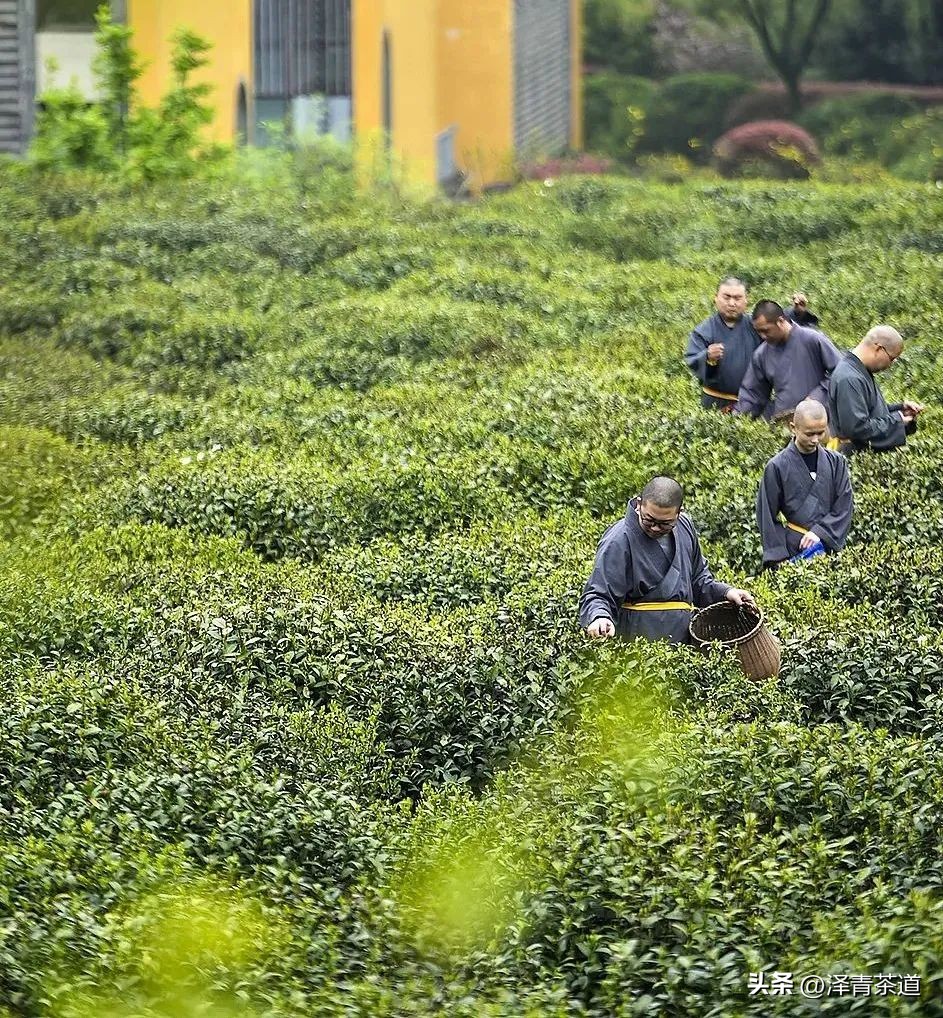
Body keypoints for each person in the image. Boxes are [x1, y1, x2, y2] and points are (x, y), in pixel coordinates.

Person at [579, 476, 755, 644]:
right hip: (635, 645)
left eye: (664, 523)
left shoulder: (685, 527)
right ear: (639, 505)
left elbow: (699, 580)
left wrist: (726, 592)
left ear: (679, 513)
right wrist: (599, 617)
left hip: (683, 642)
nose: (655, 528)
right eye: (649, 520)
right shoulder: (618, 539)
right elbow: (598, 593)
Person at [685, 279, 819, 411]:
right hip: (715, 404)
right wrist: (708, 357)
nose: (732, 303)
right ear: (716, 298)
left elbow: (779, 324)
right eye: (727, 297)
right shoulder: (703, 331)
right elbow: (692, 359)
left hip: (754, 403)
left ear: (746, 300)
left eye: (737, 298)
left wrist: (797, 313)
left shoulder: (756, 326)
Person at [756, 400, 853, 569]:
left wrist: (820, 532)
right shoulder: (777, 466)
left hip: (829, 547)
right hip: (794, 548)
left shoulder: (837, 462)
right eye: (809, 434)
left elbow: (844, 505)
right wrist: (780, 558)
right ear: (793, 428)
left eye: (820, 433)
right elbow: (767, 515)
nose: (815, 440)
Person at [736, 300, 841, 421]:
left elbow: (840, 373)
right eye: (758, 332)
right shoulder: (761, 354)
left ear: (781, 321)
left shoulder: (813, 339)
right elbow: (753, 395)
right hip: (785, 425)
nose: (762, 336)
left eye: (766, 330)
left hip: (821, 422)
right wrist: (738, 419)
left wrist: (818, 396)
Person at [827, 325, 925, 453]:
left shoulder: (859, 371)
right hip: (855, 458)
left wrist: (900, 409)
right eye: (892, 358)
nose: (890, 365)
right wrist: (897, 420)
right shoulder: (849, 378)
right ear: (878, 349)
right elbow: (857, 428)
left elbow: (869, 412)